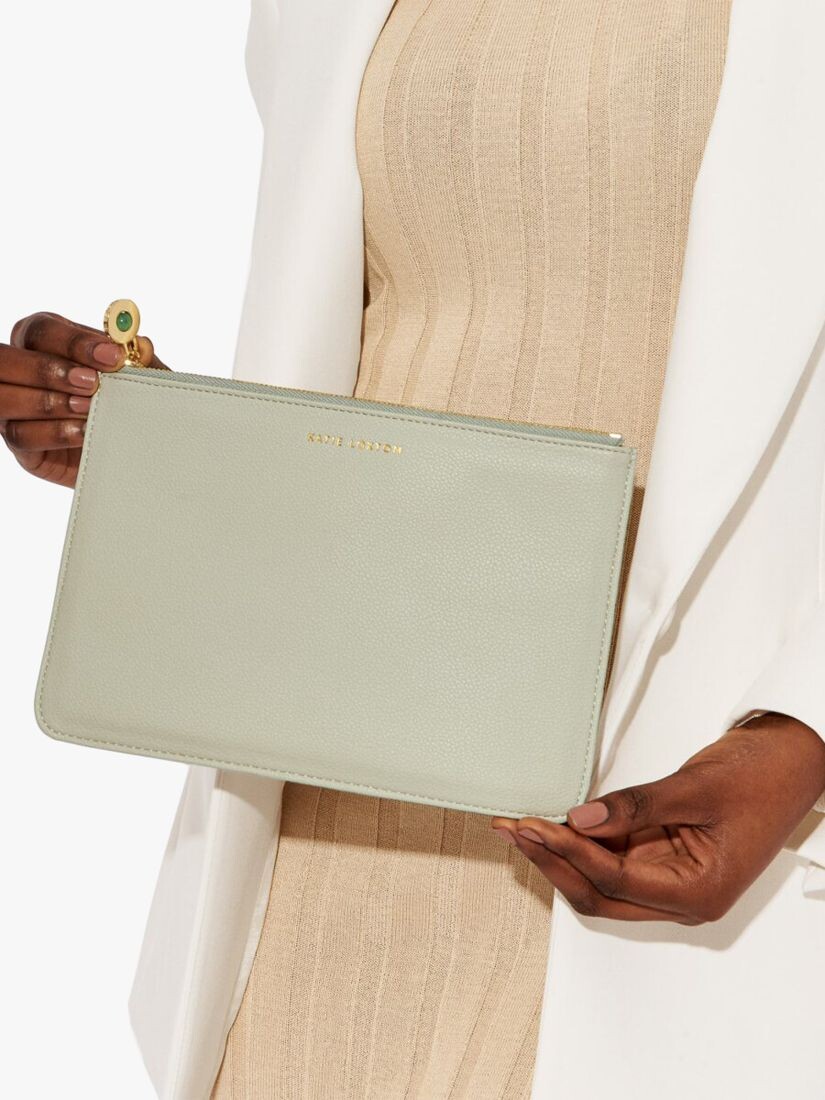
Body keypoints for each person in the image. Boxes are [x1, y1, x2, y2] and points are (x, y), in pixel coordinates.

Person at [5, 1, 825, 1097]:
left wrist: (806, 733)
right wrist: (168, 450)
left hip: (670, 802)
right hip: (329, 814)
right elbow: (387, 355)